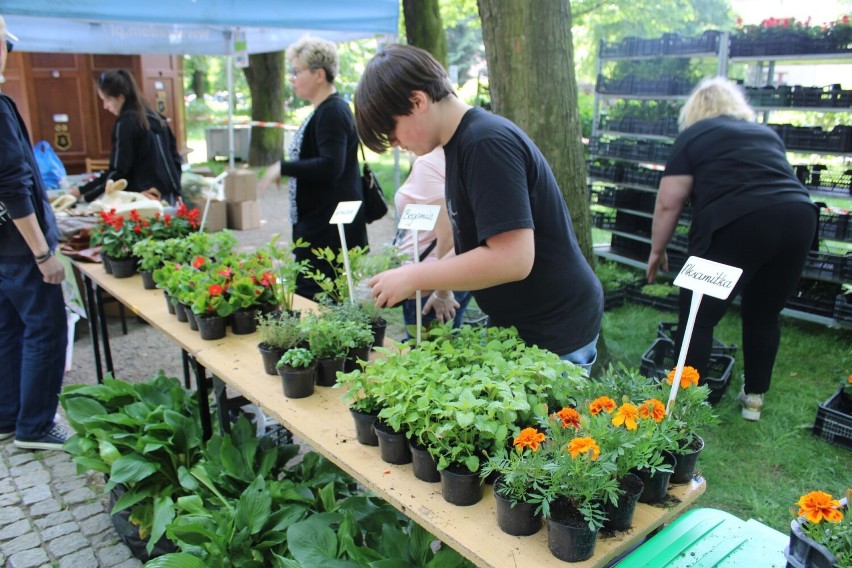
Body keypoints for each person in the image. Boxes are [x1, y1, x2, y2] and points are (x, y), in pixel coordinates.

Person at [354, 44, 603, 369]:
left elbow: (513, 258)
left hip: (555, 328)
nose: (396, 145)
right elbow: (483, 243)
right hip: (523, 322)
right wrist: (440, 286)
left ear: (418, 101)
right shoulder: (460, 145)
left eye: (393, 133)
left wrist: (415, 276)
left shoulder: (485, 143)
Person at [645, 76, 818, 421]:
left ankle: (685, 405)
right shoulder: (765, 134)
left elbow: (668, 203)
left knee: (699, 317)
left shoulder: (693, 136)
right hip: (799, 217)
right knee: (764, 313)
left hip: (738, 220)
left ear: (694, 110)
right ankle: (753, 399)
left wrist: (656, 250)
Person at [0, 15, 69, 451]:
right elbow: (13, 185)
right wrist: (43, 254)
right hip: (20, 249)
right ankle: (35, 425)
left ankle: (9, 416)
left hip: (2, 251)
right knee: (45, 328)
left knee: (8, 330)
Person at [260, 36, 368, 300]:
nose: (292, 78)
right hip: (321, 226)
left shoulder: (332, 112)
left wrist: (283, 167)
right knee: (318, 299)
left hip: (325, 232)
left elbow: (331, 165)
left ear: (319, 74)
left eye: (296, 71)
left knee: (315, 299)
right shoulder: (326, 110)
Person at [70, 69, 182, 205]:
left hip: (142, 198)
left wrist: (84, 192)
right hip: (166, 195)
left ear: (121, 97)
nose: (105, 106)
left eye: (107, 100)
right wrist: (177, 192)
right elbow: (175, 160)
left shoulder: (126, 123)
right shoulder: (158, 118)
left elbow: (119, 171)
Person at [393, 146, 471, 337]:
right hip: (443, 275)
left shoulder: (428, 163)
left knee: (428, 356)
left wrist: (442, 291)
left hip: (431, 284)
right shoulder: (457, 154)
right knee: (444, 351)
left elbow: (449, 233)